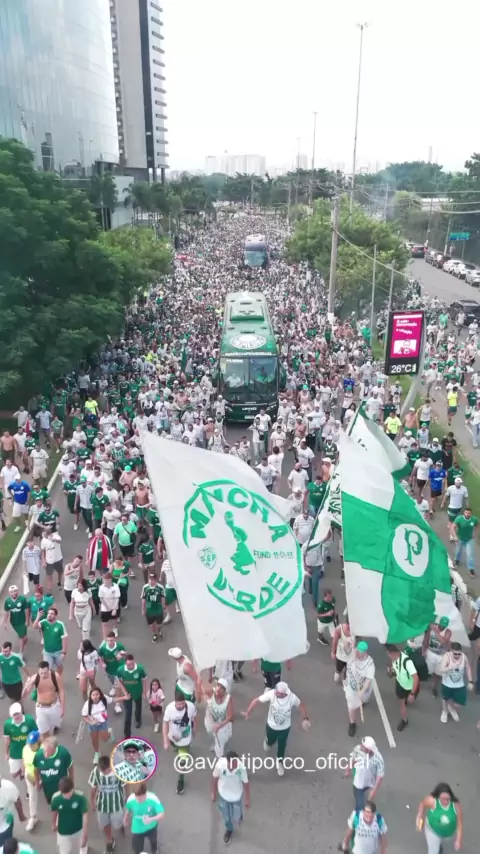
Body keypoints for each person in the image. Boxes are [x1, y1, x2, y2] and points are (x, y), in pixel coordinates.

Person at [242, 681, 309, 776]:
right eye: (276, 692)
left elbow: (301, 705)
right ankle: (268, 741)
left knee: (282, 745)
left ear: (285, 693)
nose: (276, 694)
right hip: (271, 726)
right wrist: (248, 712)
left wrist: (305, 718)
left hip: (285, 728)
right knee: (270, 742)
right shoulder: (272, 694)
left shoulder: (292, 698)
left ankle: (279, 762)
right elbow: (256, 700)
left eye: (279, 694)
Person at [212, 749, 250, 846]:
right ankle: (229, 830)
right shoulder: (220, 766)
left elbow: (246, 783)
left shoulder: (241, 768)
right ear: (228, 762)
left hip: (236, 796)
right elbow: (215, 779)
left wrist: (247, 799)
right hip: (223, 795)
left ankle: (239, 816)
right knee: (227, 818)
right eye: (233, 763)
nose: (235, 764)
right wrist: (214, 793)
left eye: (236, 762)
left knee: (236, 817)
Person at [88, 754, 126, 853]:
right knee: (105, 823)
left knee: (117, 824)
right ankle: (110, 840)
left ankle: (121, 824)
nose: (104, 773)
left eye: (106, 771)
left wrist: (128, 797)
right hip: (102, 804)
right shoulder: (96, 772)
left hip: (117, 803)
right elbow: (93, 788)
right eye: (102, 771)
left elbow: (124, 784)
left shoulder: (119, 771)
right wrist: (92, 801)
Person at [162, 688, 197, 795]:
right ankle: (176, 748)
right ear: (175, 702)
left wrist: (194, 729)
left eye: (183, 703)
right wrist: (165, 740)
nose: (181, 706)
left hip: (185, 740)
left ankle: (180, 781)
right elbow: (165, 723)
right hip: (173, 737)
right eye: (179, 704)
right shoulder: (169, 709)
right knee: (176, 748)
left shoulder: (190, 707)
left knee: (182, 762)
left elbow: (194, 718)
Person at [416, 782, 463, 854]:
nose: (445, 801)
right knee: (433, 851)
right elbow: (422, 804)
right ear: (438, 797)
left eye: (447, 798)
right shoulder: (432, 801)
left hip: (447, 833)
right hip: (432, 830)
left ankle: (438, 844)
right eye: (443, 798)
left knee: (438, 843)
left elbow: (459, 823)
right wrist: (420, 816)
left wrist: (458, 839)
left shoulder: (456, 806)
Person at [23, 661, 65, 737]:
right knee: (43, 731)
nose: (43, 675)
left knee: (52, 729)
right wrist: (26, 685)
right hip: (41, 708)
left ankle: (52, 735)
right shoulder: (35, 678)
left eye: (45, 673)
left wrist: (62, 707)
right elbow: (24, 695)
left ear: (49, 670)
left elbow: (61, 690)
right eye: (41, 673)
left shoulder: (55, 676)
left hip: (54, 706)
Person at [344, 641, 375, 737]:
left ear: (365, 652)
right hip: (351, 687)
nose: (357, 652)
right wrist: (347, 643)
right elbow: (346, 649)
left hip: (362, 688)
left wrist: (362, 691)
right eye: (357, 650)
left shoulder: (369, 664)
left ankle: (362, 702)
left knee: (363, 699)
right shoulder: (353, 653)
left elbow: (368, 680)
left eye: (359, 651)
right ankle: (352, 723)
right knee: (352, 706)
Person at [345, 736, 385, 812]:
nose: (360, 746)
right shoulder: (358, 749)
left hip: (370, 782)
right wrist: (349, 768)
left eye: (363, 746)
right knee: (360, 806)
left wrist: (374, 790)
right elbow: (354, 758)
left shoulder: (378, 758)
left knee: (369, 801)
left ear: (369, 750)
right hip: (358, 782)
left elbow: (380, 775)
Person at [385, 645, 419, 731]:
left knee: (410, 700)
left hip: (409, 688)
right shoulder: (394, 659)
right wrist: (391, 672)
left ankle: (410, 698)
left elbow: (416, 678)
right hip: (400, 684)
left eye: (389, 654)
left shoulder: (407, 662)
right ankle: (404, 720)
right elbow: (396, 671)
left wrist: (412, 693)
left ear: (394, 653)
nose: (389, 656)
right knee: (402, 703)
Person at [51, 776, 88, 854]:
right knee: (64, 852)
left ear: (72, 788)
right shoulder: (55, 799)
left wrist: (85, 834)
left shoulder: (80, 797)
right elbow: (54, 812)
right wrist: (53, 824)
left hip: (77, 830)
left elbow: (85, 816)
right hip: (63, 831)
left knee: (76, 851)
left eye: (69, 792)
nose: (67, 796)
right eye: (64, 794)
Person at [123, 783, 164, 854]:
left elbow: (161, 814)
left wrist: (151, 819)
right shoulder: (131, 798)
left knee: (153, 840)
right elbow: (128, 809)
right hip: (137, 827)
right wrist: (125, 818)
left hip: (151, 826)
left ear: (145, 793)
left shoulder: (153, 799)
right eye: (136, 797)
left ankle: (154, 849)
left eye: (141, 798)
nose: (138, 800)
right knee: (136, 847)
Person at [33, 736, 73, 807]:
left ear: (54, 748)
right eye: (44, 750)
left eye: (47, 751)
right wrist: (37, 782)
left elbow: (70, 767)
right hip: (47, 789)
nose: (45, 754)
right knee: (51, 803)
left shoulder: (63, 753)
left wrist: (71, 784)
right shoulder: (38, 755)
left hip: (62, 788)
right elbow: (36, 770)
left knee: (63, 804)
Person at [439, 642, 473, 723]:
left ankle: (451, 707)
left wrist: (470, 681)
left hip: (459, 685)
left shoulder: (464, 657)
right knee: (445, 698)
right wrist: (450, 667)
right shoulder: (447, 656)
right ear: (451, 651)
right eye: (455, 654)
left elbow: (468, 668)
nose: (457, 656)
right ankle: (445, 711)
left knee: (461, 702)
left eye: (459, 654)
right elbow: (441, 669)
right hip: (447, 684)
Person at [115, 653, 147, 738]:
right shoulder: (120, 670)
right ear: (125, 663)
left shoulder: (140, 669)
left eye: (132, 664)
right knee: (128, 714)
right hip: (127, 695)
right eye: (129, 665)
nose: (131, 666)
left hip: (137, 692)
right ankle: (127, 734)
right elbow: (119, 681)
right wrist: (124, 692)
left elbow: (144, 679)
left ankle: (138, 720)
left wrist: (144, 692)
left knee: (138, 708)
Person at [3, 703, 37, 780]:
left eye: (18, 713)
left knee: (30, 774)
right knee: (14, 774)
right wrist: (6, 753)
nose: (16, 716)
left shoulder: (29, 720)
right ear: (11, 715)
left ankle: (25, 773)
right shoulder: (7, 724)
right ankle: (21, 771)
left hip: (28, 751)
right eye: (14, 715)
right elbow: (7, 740)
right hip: (15, 753)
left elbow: (36, 734)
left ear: (21, 712)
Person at [203, 678, 234, 758]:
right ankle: (215, 742)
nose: (218, 689)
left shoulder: (228, 699)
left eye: (222, 688)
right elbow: (202, 693)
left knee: (220, 744)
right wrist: (204, 696)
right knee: (211, 733)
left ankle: (220, 757)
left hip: (222, 722)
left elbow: (230, 716)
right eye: (218, 686)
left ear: (225, 691)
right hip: (210, 720)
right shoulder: (211, 692)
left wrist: (219, 725)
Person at [38, 606, 67, 673]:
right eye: (48, 613)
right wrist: (38, 617)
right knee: (47, 668)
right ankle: (50, 678)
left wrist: (64, 652)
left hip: (58, 651)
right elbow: (35, 626)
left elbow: (64, 638)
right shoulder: (43, 622)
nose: (49, 615)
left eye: (52, 614)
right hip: (47, 651)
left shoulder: (60, 624)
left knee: (59, 665)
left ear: (55, 615)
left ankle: (58, 676)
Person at [22, 730, 41, 831]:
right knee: (32, 797)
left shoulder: (42, 752)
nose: (30, 745)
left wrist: (39, 782)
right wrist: (23, 770)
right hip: (30, 776)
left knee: (51, 796)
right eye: (29, 743)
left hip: (42, 777)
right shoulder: (26, 748)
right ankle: (33, 817)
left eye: (32, 743)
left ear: (38, 741)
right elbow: (24, 760)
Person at [0, 777, 26, 848]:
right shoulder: (9, 786)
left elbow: (17, 800)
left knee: (7, 845)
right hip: (7, 822)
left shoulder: (8, 787)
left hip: (6, 823)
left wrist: (21, 815)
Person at [452, 507, 478, 578]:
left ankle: (471, 569)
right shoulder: (459, 519)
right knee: (458, 551)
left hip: (469, 539)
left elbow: (477, 525)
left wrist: (475, 533)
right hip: (460, 538)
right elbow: (453, 526)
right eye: (466, 513)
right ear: (464, 513)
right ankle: (456, 561)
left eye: (469, 513)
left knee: (470, 554)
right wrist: (455, 536)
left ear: (471, 514)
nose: (467, 514)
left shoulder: (474, 519)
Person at [3, 586, 29, 654]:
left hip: (22, 621)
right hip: (13, 622)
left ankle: (21, 652)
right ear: (9, 593)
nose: (13, 593)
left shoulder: (22, 599)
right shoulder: (7, 601)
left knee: (21, 637)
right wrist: (5, 622)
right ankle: (24, 638)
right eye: (12, 592)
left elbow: (26, 609)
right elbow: (6, 611)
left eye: (15, 591)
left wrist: (27, 620)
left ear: (17, 591)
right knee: (23, 636)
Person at [141, 573, 165, 643]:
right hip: (149, 607)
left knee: (159, 623)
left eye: (153, 579)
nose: (151, 581)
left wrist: (163, 606)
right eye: (150, 579)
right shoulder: (145, 587)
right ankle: (154, 634)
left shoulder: (160, 587)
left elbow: (163, 597)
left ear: (155, 580)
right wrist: (143, 609)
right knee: (151, 623)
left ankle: (159, 629)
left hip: (158, 607)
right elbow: (143, 599)